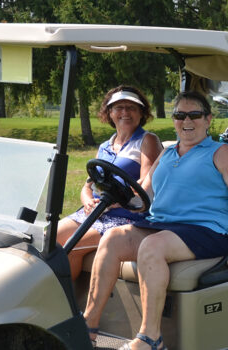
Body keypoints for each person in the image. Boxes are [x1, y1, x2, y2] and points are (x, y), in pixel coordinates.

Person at [81, 91, 228, 350]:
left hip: (208, 230)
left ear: (207, 119)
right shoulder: (168, 154)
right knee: (112, 238)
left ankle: (151, 339)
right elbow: (144, 196)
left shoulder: (219, 152)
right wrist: (113, 197)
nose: (187, 121)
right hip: (164, 225)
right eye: (179, 115)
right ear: (173, 120)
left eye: (194, 115)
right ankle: (88, 328)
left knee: (152, 247)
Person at [56, 86, 162, 281]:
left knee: (71, 246)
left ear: (141, 113)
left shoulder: (147, 141)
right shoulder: (105, 145)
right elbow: (88, 185)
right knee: (48, 239)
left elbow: (147, 184)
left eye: (131, 107)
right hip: (95, 212)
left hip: (127, 216)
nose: (125, 112)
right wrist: (88, 201)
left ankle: (66, 304)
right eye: (119, 107)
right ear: (110, 113)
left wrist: (117, 198)